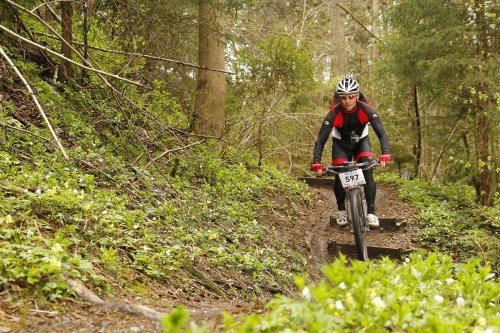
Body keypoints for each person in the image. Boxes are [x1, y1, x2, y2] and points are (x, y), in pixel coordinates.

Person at [311, 74, 391, 228]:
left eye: (351, 96)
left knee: (367, 169)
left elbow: (381, 133)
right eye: (343, 97)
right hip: (340, 144)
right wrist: (316, 161)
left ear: (357, 96)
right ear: (339, 98)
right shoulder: (333, 114)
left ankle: (371, 213)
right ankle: (341, 210)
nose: (347, 101)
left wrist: (385, 152)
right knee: (340, 174)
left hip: (361, 141)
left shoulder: (366, 110)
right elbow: (321, 140)